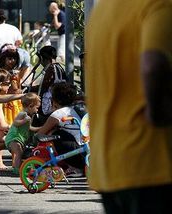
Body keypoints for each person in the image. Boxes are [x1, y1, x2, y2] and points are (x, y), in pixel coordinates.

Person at [85, 0, 172, 213]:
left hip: (109, 168)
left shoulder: (102, 11)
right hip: (153, 159)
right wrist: (158, 111)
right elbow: (152, 65)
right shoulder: (159, 5)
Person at [37, 82, 85, 174]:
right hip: (88, 151)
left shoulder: (58, 114)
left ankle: (74, 167)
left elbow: (40, 133)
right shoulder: (77, 108)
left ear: (55, 99)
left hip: (79, 155)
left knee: (55, 134)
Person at [31, 46, 68, 125]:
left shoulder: (50, 68)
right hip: (58, 101)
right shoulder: (60, 67)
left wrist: (29, 88)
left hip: (48, 106)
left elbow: (43, 86)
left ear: (42, 58)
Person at [5, 92, 41, 173]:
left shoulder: (28, 116)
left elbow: (30, 128)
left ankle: (20, 167)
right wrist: (24, 120)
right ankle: (17, 169)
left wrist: (40, 128)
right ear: (31, 106)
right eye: (37, 107)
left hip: (19, 139)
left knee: (21, 153)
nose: (37, 110)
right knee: (19, 152)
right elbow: (15, 123)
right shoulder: (23, 114)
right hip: (14, 138)